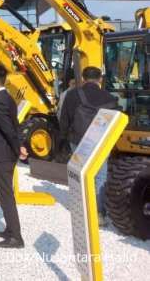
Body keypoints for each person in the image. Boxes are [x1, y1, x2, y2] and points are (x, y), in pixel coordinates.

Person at [59, 66, 118, 224]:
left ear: (83, 78)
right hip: (100, 141)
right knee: (100, 175)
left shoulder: (71, 95)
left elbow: (64, 119)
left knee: (80, 174)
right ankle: (98, 214)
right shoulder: (110, 98)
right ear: (100, 79)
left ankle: (80, 208)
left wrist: (63, 139)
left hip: (77, 140)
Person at [0, 63, 28, 248]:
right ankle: (10, 230)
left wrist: (18, 146)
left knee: (5, 195)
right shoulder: (6, 97)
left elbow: (8, 128)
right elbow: (15, 124)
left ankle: (16, 237)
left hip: (2, 154)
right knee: (4, 193)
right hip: (4, 152)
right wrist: (19, 145)